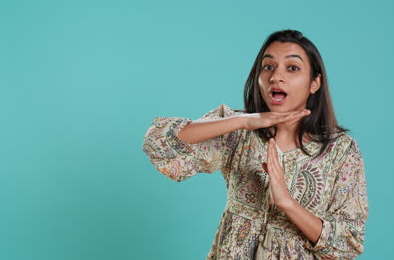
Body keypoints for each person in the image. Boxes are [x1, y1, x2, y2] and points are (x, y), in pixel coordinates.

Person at [142, 29, 369, 259]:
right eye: (268, 66)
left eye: (292, 68)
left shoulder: (340, 151)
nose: (276, 77)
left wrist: (286, 203)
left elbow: (347, 243)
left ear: (314, 83)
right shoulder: (238, 132)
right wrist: (243, 120)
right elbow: (160, 144)